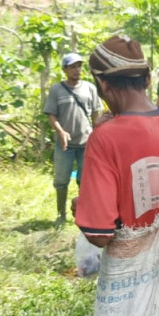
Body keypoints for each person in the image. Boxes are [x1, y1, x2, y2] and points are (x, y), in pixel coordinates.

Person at [75, 35, 159, 316]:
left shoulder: (105, 139)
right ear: (146, 79)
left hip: (137, 298)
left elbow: (99, 234)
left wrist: (80, 206)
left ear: (102, 84)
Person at [43, 52, 103, 227]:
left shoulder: (90, 88)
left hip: (86, 143)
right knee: (61, 181)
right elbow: (51, 115)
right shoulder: (57, 90)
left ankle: (84, 214)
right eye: (72, 67)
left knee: (85, 181)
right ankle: (61, 214)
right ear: (65, 70)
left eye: (79, 66)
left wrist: (97, 134)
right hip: (65, 144)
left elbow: (95, 114)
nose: (77, 70)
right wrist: (60, 131)